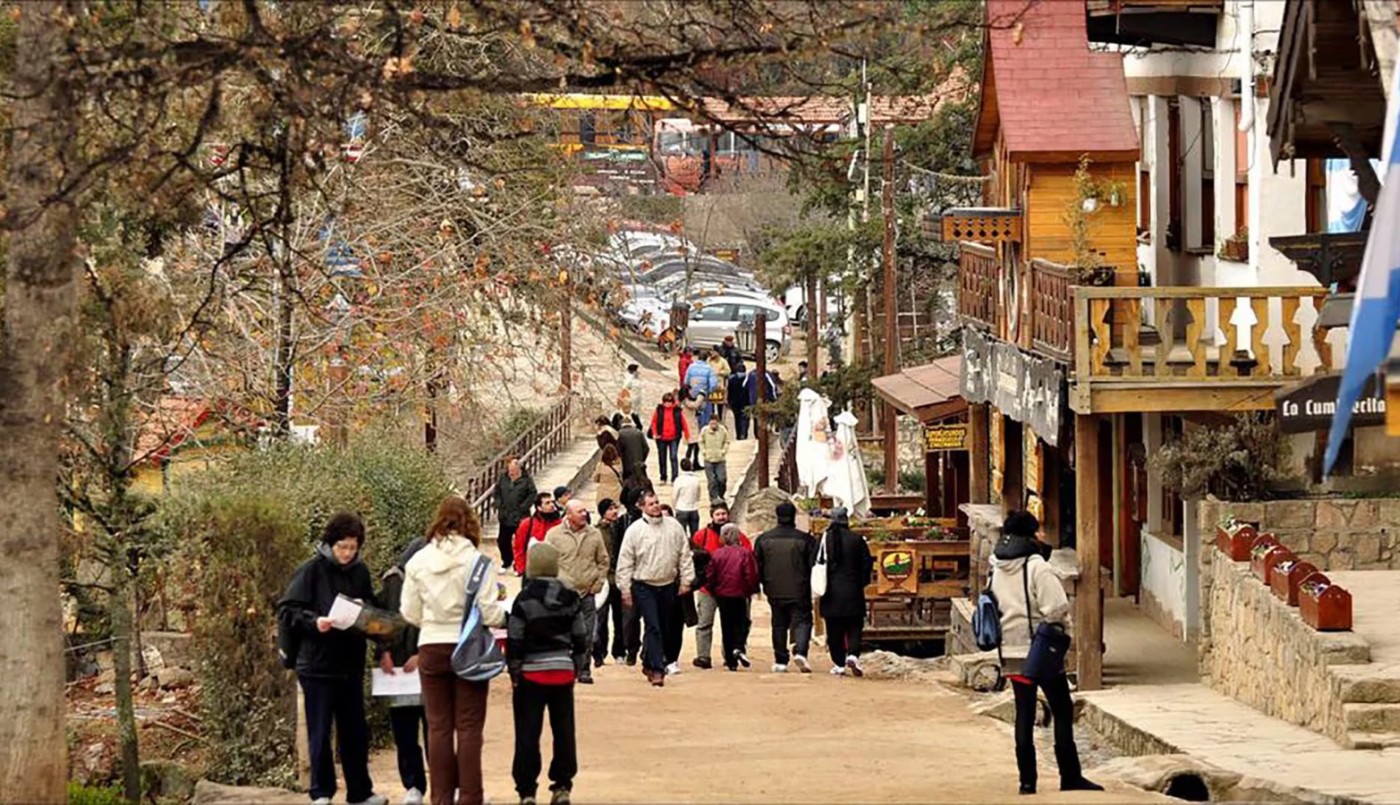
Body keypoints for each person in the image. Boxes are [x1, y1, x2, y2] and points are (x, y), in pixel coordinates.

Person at [400, 497, 506, 805]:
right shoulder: (477, 561)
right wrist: (504, 618)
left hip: (431, 644)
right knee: (470, 727)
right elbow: (489, 613)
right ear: (468, 523)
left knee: (438, 726)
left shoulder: (418, 561)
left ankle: (441, 798)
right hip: (468, 647)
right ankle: (470, 797)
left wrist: (431, 623)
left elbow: (409, 611)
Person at [278, 513, 388, 805]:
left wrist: (367, 609)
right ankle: (322, 791)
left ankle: (360, 791)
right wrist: (316, 623)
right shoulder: (311, 570)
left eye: (353, 547)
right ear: (330, 543)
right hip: (316, 664)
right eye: (343, 547)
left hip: (350, 662)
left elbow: (373, 610)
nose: (348, 553)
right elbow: (288, 611)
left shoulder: (360, 571)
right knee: (320, 730)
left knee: (354, 730)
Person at [992, 510, 1102, 796]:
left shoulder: (997, 566)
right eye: (1037, 530)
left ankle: (1027, 783)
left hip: (1011, 651)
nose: (1041, 535)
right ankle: (1070, 776)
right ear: (1029, 534)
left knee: (1024, 713)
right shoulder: (1036, 566)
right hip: (1040, 651)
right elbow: (1055, 608)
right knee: (1062, 709)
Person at [508, 542, 589, 805]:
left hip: (532, 673)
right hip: (562, 671)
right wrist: (576, 664)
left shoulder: (524, 598)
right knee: (564, 730)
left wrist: (515, 670)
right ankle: (562, 785)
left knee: (528, 732)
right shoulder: (570, 596)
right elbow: (580, 635)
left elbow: (515, 638)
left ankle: (527, 790)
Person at [616, 491, 694, 687]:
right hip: (644, 585)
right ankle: (659, 669)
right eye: (651, 504)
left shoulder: (674, 526)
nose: (656, 506)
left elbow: (684, 554)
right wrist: (624, 589)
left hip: (668, 584)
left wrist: (686, 580)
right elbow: (625, 561)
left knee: (665, 627)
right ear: (641, 507)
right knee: (653, 626)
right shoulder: (634, 531)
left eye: (657, 502)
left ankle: (650, 662)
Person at [378, 537, 430, 805]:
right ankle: (413, 785)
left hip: (430, 664)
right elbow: (383, 620)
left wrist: (423, 654)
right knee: (404, 729)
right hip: (399, 669)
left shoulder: (437, 579)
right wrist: (383, 653)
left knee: (437, 729)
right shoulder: (393, 580)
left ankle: (445, 783)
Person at [545, 499, 609, 685]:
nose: (584, 514)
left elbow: (603, 562)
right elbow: (546, 562)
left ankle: (584, 669)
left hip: (587, 593)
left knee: (587, 633)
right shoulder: (554, 535)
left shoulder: (594, 534)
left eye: (585, 511)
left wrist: (597, 584)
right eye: (580, 511)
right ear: (569, 514)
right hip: (563, 595)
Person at [754, 502, 815, 674]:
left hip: (773, 588)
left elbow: (757, 565)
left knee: (779, 624)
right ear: (794, 515)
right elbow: (812, 565)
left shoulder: (763, 539)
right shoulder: (805, 539)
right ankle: (801, 651)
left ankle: (781, 660)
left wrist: (761, 584)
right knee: (803, 620)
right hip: (800, 588)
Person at [689, 503, 750, 670]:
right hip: (707, 589)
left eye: (724, 513)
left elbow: (748, 556)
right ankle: (703, 656)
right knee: (705, 622)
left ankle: (729, 655)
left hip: (730, 588)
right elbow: (692, 556)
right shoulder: (702, 535)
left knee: (730, 624)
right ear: (712, 516)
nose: (721, 517)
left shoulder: (740, 536)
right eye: (718, 514)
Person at [817, 508, 874, 678]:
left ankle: (839, 663)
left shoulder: (824, 540)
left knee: (834, 629)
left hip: (830, 591)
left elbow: (815, 561)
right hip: (853, 590)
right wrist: (861, 582)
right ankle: (853, 654)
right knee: (855, 626)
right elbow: (867, 564)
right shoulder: (857, 540)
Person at [705, 524, 759, 671]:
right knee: (742, 622)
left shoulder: (717, 554)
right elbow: (751, 575)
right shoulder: (745, 553)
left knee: (726, 625)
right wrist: (752, 589)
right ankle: (739, 646)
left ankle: (730, 660)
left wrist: (713, 590)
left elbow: (710, 576)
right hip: (740, 594)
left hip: (722, 594)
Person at [593, 499, 628, 668]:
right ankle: (599, 652)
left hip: (619, 578)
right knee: (601, 618)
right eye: (610, 509)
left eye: (615, 508)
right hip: (603, 580)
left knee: (620, 618)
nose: (614, 511)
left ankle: (620, 651)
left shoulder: (622, 527)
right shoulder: (596, 532)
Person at [494, 458, 537, 573]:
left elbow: (533, 494)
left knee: (521, 542)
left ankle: (519, 565)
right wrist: (499, 504)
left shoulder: (526, 480)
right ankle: (507, 561)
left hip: (520, 517)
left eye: (513, 469)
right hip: (505, 515)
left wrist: (524, 506)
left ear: (518, 469)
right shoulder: (503, 479)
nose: (511, 472)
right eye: (509, 469)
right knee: (502, 540)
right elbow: (497, 492)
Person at [513, 493, 563, 578]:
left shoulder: (560, 524)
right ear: (539, 507)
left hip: (556, 570)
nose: (552, 505)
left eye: (552, 502)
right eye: (547, 503)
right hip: (532, 570)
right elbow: (519, 547)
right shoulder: (528, 524)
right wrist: (522, 569)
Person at [647, 391, 689, 484]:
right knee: (662, 458)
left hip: (674, 437)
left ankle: (674, 477)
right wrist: (654, 433)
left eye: (670, 402)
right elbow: (654, 422)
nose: (668, 404)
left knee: (673, 457)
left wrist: (687, 435)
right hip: (661, 437)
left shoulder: (678, 410)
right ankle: (663, 477)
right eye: (666, 402)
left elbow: (684, 423)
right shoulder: (659, 410)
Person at [699, 415, 730, 503]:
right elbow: (701, 441)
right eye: (711, 423)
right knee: (712, 480)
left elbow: (727, 441)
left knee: (722, 479)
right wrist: (704, 451)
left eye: (715, 423)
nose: (713, 425)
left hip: (720, 459)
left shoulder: (723, 430)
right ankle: (713, 498)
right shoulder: (704, 431)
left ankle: (721, 494)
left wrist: (723, 451)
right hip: (708, 459)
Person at [671, 458, 703, 537]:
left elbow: (675, 495)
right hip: (693, 508)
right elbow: (698, 493)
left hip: (681, 508)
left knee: (682, 534)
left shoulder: (678, 480)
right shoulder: (696, 479)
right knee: (695, 534)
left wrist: (674, 506)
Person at [683, 354, 717, 427]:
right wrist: (711, 391)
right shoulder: (709, 368)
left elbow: (686, 381)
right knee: (705, 412)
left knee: (694, 411)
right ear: (706, 359)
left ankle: (697, 424)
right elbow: (713, 384)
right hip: (704, 394)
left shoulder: (691, 366)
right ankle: (703, 427)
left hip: (693, 394)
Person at [592, 444, 624, 508]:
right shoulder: (619, 463)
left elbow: (595, 478)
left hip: (604, 490)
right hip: (616, 489)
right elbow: (621, 474)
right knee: (615, 507)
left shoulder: (600, 465)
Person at [679, 386, 702, 466]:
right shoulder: (685, 401)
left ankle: (695, 461)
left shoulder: (685, 400)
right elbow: (695, 405)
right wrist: (700, 396)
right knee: (692, 445)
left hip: (692, 425)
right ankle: (687, 462)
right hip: (689, 426)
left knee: (695, 445)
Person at [727, 361, 750, 440]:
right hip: (746, 402)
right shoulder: (747, 379)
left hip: (735, 402)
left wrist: (729, 401)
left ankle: (739, 434)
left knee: (737, 419)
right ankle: (744, 434)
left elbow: (729, 391)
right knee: (745, 419)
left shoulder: (732, 379)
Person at [706, 349, 730, 423]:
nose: (712, 353)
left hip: (719, 385)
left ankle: (719, 419)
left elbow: (728, 371)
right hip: (710, 385)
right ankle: (712, 419)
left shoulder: (723, 361)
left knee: (720, 404)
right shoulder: (709, 360)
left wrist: (719, 372)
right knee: (711, 404)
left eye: (713, 351)